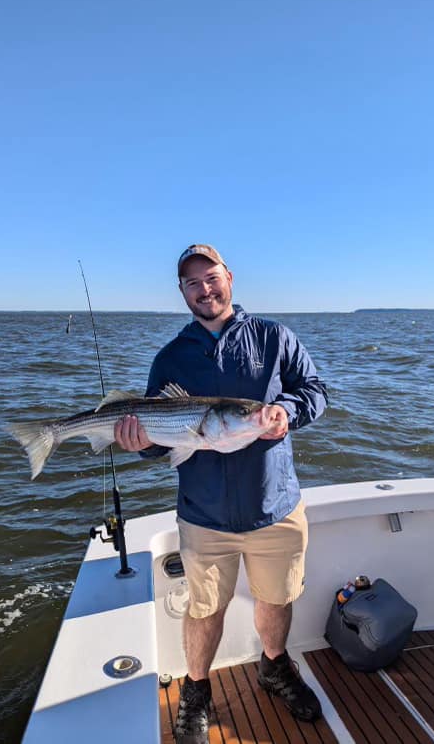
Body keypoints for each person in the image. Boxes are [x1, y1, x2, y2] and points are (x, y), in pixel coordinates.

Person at [114, 244, 328, 744]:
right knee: (204, 607)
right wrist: (139, 443)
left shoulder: (274, 338)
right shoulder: (171, 357)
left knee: (277, 599)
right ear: (183, 292)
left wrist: (285, 412)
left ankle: (274, 667)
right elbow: (161, 441)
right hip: (203, 514)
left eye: (211, 277)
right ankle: (196, 691)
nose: (204, 289)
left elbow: (315, 391)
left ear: (229, 277)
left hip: (274, 505)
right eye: (193, 283)